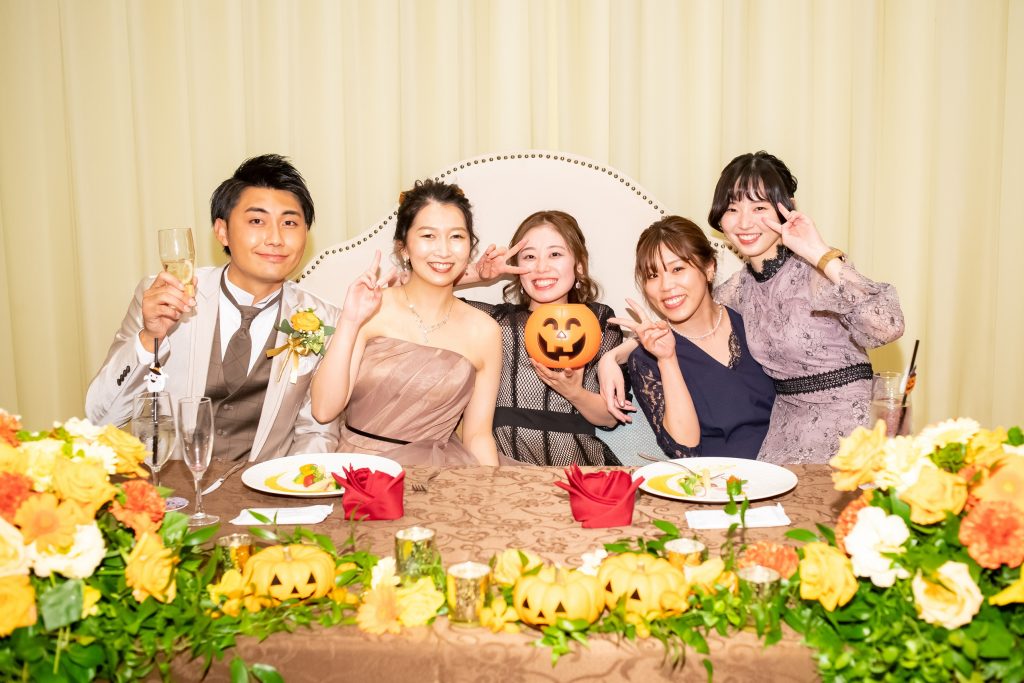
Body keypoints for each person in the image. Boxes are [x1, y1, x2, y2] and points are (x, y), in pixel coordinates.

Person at [86, 154, 341, 461]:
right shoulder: (165, 297)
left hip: (265, 486)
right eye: (257, 221)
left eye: (289, 223)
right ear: (222, 231)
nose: (275, 238)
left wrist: (289, 486)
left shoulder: (324, 321)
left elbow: (316, 433)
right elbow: (101, 416)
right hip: (172, 484)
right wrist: (149, 338)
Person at [708, 151, 904, 464]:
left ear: (786, 209)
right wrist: (624, 356)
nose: (744, 222)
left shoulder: (817, 270)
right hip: (785, 429)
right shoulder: (737, 289)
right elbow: (687, 325)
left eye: (759, 208)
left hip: (852, 425)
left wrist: (817, 252)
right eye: (732, 209)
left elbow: (888, 326)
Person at [311, 180, 503, 466]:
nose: (443, 250)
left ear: (470, 247)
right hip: (359, 470)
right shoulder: (370, 309)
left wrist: (490, 488)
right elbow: (324, 410)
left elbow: (477, 436)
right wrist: (350, 321)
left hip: (437, 475)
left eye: (456, 237)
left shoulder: (485, 331)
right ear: (403, 247)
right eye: (428, 236)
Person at [599, 217, 775, 459]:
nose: (665, 286)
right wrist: (667, 359)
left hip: (785, 467)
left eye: (677, 269)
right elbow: (684, 449)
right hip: (717, 478)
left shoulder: (752, 319)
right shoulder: (646, 360)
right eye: (652, 275)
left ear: (709, 269)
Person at [463, 210, 623, 466]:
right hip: (503, 470)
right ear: (516, 269)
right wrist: (479, 273)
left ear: (579, 264)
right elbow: (422, 294)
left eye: (555, 254)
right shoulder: (496, 321)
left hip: (578, 470)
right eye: (529, 257)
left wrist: (574, 393)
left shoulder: (599, 319)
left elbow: (610, 418)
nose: (541, 267)